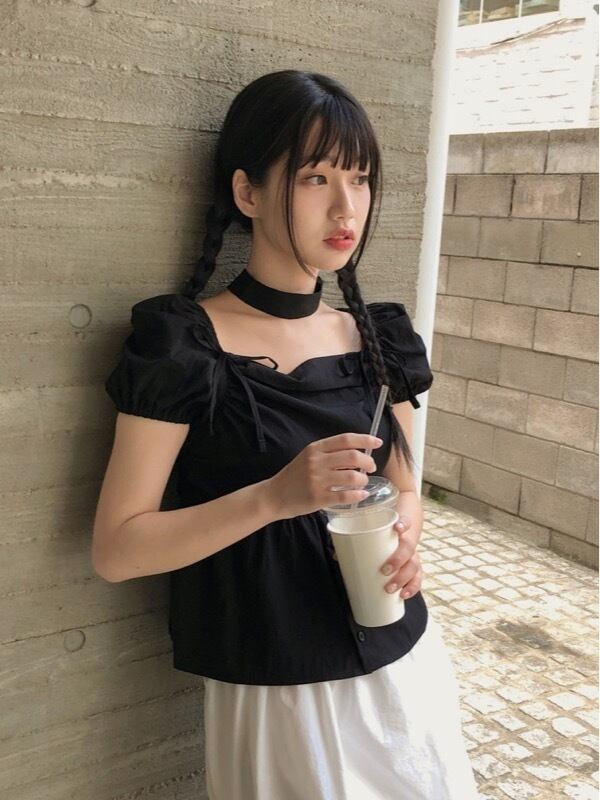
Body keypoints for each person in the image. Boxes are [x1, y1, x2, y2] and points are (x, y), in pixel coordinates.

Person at [93, 69, 480, 800]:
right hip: (279, 693)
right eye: (315, 178)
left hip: (403, 672)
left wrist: (405, 542)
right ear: (248, 192)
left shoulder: (379, 341)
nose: (346, 206)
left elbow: (404, 490)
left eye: (360, 179)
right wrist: (274, 497)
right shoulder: (182, 347)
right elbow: (116, 549)